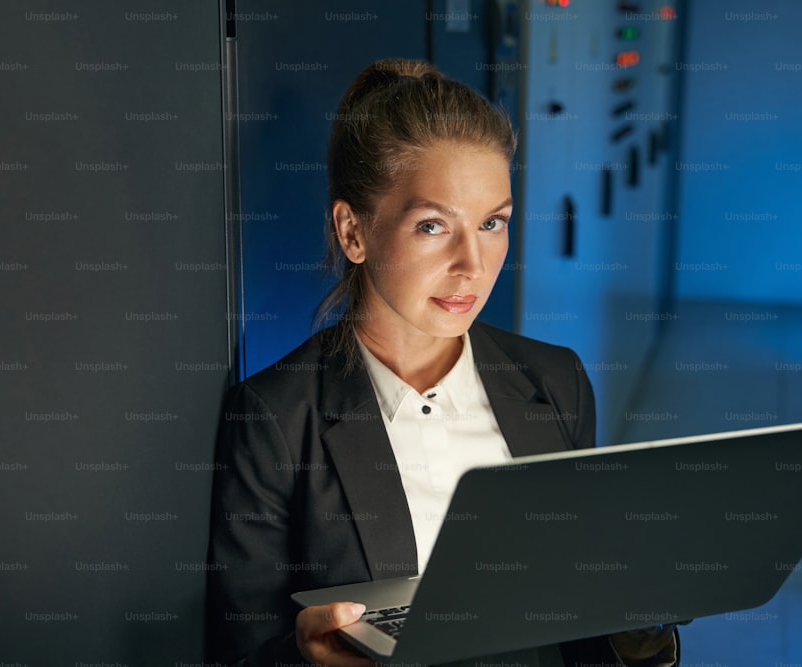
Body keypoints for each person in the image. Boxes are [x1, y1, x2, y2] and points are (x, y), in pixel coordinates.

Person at [206, 58, 680, 667]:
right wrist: (305, 658)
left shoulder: (556, 381)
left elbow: (584, 622)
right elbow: (242, 651)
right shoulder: (274, 418)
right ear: (353, 233)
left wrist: (641, 617)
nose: (473, 265)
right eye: (432, 225)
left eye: (492, 223)